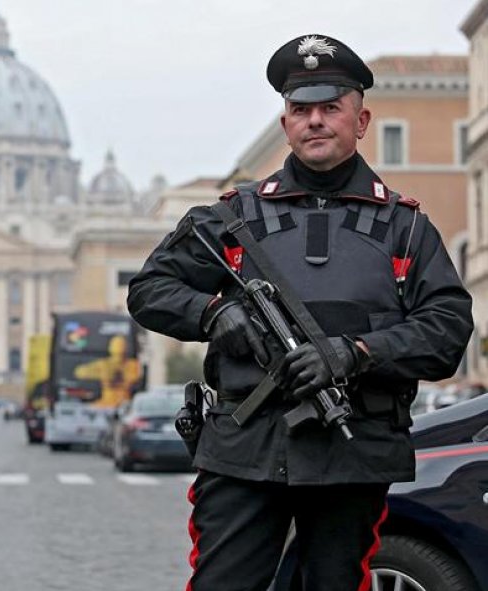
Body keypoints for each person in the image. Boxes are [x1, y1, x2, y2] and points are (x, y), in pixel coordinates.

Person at [127, 34, 472, 591]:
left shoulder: (406, 227)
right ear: (286, 123)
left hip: (352, 453)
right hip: (245, 449)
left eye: (330, 108)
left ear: (360, 122)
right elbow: (149, 289)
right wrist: (212, 313)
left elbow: (448, 329)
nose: (315, 121)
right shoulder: (232, 217)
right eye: (300, 110)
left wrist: (355, 354)